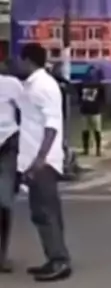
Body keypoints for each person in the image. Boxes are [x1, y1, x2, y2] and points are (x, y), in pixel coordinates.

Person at [18, 43, 71, 282]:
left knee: (47, 212)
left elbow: (52, 125)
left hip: (44, 162)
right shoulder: (31, 85)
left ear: (27, 60)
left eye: (19, 60)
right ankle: (53, 257)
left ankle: (60, 260)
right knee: (40, 213)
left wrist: (41, 158)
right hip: (33, 159)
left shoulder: (44, 86)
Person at [0, 61, 23, 272]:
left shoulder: (11, 84)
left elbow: (26, 111)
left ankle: (2, 256)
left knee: (4, 201)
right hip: (9, 142)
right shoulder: (12, 83)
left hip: (7, 144)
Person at [78, 66, 105, 157]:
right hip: (85, 110)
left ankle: (98, 149)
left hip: (95, 111)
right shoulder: (82, 84)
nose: (91, 75)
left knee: (97, 131)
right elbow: (79, 96)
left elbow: (102, 99)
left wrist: (98, 107)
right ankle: (86, 149)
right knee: (85, 131)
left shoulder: (99, 86)